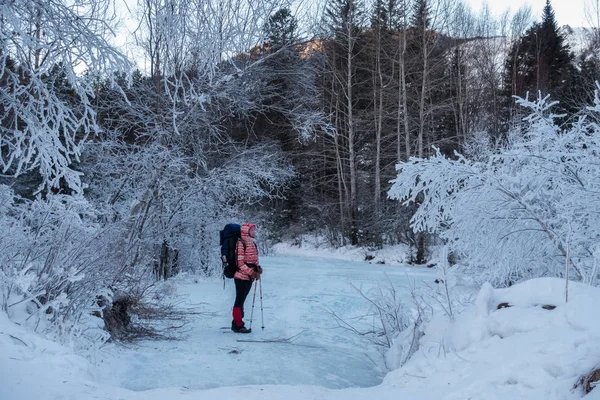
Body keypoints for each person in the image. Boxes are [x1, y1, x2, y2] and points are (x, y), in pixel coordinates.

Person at [231, 222, 263, 333]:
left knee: (242, 300)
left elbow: (254, 259)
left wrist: (258, 268)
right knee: (239, 300)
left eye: (254, 230)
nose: (254, 232)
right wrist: (252, 272)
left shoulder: (253, 244)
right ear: (246, 232)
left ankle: (237, 322)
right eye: (252, 230)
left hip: (249, 277)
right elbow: (240, 263)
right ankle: (238, 324)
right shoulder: (241, 244)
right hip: (241, 276)